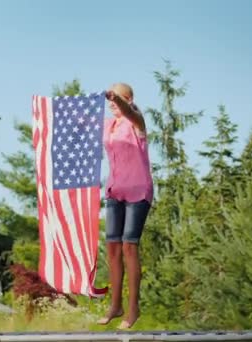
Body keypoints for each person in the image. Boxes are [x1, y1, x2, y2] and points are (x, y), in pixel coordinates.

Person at [96, 83, 153, 329]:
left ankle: (133, 309)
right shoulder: (109, 125)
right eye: (110, 99)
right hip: (114, 190)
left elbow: (130, 113)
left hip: (138, 190)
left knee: (130, 247)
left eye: (117, 98)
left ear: (129, 99)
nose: (112, 103)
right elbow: (84, 123)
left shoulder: (137, 123)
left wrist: (117, 100)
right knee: (112, 248)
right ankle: (115, 305)